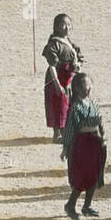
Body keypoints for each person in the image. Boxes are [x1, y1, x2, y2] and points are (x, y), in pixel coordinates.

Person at [61, 72, 106, 220]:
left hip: (95, 143)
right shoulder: (75, 107)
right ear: (78, 89)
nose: (89, 88)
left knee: (94, 174)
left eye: (89, 85)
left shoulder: (92, 103)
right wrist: (66, 147)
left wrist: (102, 135)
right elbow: (69, 129)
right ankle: (70, 205)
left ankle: (87, 205)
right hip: (82, 144)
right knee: (83, 176)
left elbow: (99, 122)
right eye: (86, 85)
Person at [41, 14, 83, 143]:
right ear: (56, 27)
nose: (66, 27)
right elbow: (52, 65)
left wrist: (77, 66)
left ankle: (66, 131)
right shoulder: (54, 44)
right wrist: (57, 84)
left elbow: (79, 60)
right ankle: (57, 133)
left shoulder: (71, 44)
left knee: (69, 104)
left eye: (69, 24)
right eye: (63, 24)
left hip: (69, 78)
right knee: (57, 105)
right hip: (57, 78)